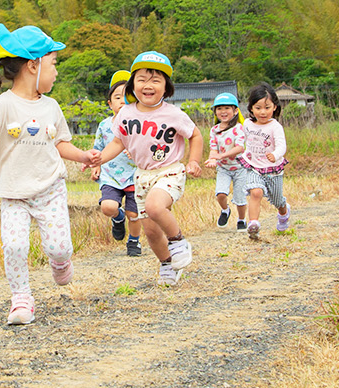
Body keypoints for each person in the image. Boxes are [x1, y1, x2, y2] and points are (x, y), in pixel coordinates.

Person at [0, 24, 97, 326]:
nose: (55, 72)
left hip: (50, 188)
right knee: (14, 246)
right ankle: (21, 299)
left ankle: (61, 261)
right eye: (54, 64)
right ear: (33, 65)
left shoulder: (51, 107)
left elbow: (60, 142)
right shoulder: (2, 105)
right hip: (14, 193)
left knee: (59, 246)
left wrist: (83, 156)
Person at [91, 51, 204, 286]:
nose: (148, 85)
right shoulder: (125, 114)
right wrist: (98, 159)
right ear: (133, 85)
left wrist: (193, 161)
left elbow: (195, 134)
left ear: (166, 87)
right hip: (142, 175)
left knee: (155, 206)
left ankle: (179, 240)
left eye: (155, 80)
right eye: (141, 79)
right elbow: (117, 142)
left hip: (169, 170)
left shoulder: (173, 114)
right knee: (151, 231)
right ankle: (166, 264)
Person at [91, 70, 144, 256]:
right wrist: (96, 165)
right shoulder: (105, 125)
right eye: (117, 97)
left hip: (134, 176)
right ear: (109, 103)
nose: (122, 101)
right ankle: (117, 219)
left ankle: (134, 241)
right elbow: (98, 148)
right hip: (110, 174)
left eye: (127, 97)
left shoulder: (139, 124)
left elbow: (148, 147)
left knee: (135, 215)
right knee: (108, 207)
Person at [243, 82, 291, 239]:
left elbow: (282, 146)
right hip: (254, 166)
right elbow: (241, 138)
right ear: (251, 108)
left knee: (277, 200)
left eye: (267, 107)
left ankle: (284, 212)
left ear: (275, 107)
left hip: (272, 169)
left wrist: (275, 155)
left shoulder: (275, 126)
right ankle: (253, 223)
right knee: (256, 192)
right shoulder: (248, 124)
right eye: (258, 108)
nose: (262, 112)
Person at [205, 92, 256, 231]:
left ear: (235, 111)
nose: (223, 112)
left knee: (240, 198)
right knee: (220, 194)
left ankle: (241, 220)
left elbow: (239, 148)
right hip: (223, 169)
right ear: (215, 112)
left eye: (227, 108)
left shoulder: (239, 128)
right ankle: (225, 210)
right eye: (219, 108)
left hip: (240, 168)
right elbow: (213, 149)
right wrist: (212, 159)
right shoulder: (214, 130)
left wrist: (220, 157)